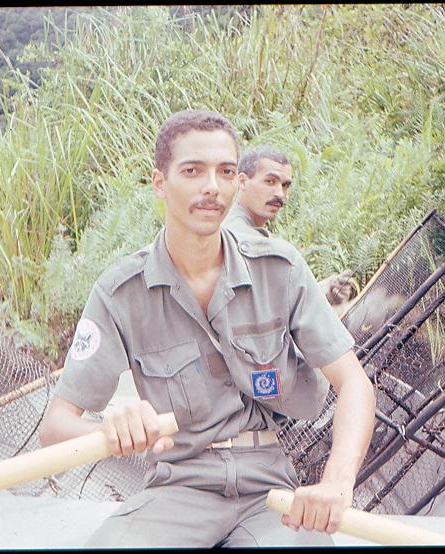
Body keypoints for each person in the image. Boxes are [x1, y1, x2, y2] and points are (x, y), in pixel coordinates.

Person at [39, 109, 375, 547]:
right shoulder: (120, 292)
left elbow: (353, 382)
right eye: (193, 171)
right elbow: (55, 428)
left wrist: (336, 482)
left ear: (238, 183)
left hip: (268, 493)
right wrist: (109, 431)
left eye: (226, 171)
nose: (211, 186)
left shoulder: (280, 269)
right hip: (178, 489)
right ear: (160, 182)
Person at [225, 145, 359, 316]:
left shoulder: (247, 228)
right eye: (270, 182)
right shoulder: (240, 235)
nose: (280, 194)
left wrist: (325, 289)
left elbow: (280, 294)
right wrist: (348, 311)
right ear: (242, 181)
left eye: (285, 185)